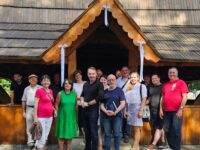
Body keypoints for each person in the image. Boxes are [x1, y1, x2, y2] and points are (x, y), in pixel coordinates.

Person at [160, 67, 188, 150]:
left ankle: (177, 148)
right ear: (168, 74)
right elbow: (162, 97)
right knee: (167, 129)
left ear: (177, 73)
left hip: (177, 111)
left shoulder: (181, 83)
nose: (171, 74)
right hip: (166, 111)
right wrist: (161, 109)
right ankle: (172, 147)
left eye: (173, 72)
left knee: (176, 130)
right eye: (170, 73)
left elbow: (185, 96)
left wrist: (181, 109)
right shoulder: (166, 84)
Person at [80, 67, 104, 150]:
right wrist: (82, 102)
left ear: (96, 74)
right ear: (87, 74)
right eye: (89, 74)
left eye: (93, 74)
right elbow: (82, 95)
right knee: (86, 131)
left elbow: (100, 97)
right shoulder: (85, 84)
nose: (91, 75)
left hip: (93, 111)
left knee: (93, 131)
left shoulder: (99, 84)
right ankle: (87, 147)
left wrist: (88, 103)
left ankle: (94, 148)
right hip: (84, 110)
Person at [100, 74, 126, 150]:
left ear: (115, 80)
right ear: (107, 81)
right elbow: (101, 105)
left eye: (113, 80)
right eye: (109, 80)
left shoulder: (120, 90)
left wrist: (115, 112)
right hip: (106, 116)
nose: (111, 81)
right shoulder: (104, 92)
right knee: (107, 134)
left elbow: (123, 103)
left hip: (117, 116)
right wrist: (105, 111)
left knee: (117, 134)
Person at [125, 72, 147, 150]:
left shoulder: (142, 86)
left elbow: (144, 98)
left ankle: (135, 146)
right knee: (133, 128)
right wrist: (126, 111)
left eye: (134, 77)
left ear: (138, 78)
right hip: (130, 109)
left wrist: (141, 110)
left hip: (137, 109)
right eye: (131, 77)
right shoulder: (128, 87)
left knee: (137, 129)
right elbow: (126, 101)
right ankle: (136, 146)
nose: (133, 79)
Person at [55, 79, 78, 150]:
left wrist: (76, 117)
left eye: (69, 84)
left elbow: (76, 105)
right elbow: (56, 104)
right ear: (63, 85)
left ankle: (68, 148)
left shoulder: (74, 94)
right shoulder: (60, 93)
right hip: (62, 116)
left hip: (71, 117)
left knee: (69, 134)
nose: (67, 85)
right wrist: (56, 113)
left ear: (71, 85)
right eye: (65, 84)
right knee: (61, 134)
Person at [34, 75, 54, 150]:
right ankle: (40, 147)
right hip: (41, 116)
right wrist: (35, 117)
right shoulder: (39, 90)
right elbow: (35, 104)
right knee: (41, 134)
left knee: (46, 134)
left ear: (50, 82)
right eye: (44, 80)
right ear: (41, 82)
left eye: (48, 80)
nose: (46, 82)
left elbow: (50, 103)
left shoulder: (51, 91)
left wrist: (54, 110)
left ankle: (41, 147)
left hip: (50, 116)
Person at [146, 74, 166, 150]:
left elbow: (164, 98)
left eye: (155, 78)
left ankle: (154, 144)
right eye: (152, 78)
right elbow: (150, 98)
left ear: (159, 78)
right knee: (158, 126)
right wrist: (144, 103)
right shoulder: (150, 87)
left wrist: (161, 109)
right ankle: (163, 142)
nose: (153, 80)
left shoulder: (163, 86)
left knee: (159, 126)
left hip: (161, 110)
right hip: (152, 110)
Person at [22, 74, 41, 146]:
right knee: (29, 126)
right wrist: (23, 111)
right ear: (29, 80)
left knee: (38, 126)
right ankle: (30, 142)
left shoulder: (40, 88)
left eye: (35, 78)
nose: (33, 80)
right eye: (31, 79)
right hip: (29, 109)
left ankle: (37, 142)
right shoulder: (26, 88)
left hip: (39, 109)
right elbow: (23, 100)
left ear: (37, 80)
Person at [116, 66, 130, 143]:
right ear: (121, 72)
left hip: (129, 102)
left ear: (129, 71)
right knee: (120, 118)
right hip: (120, 102)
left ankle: (126, 135)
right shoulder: (117, 80)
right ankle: (120, 134)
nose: (125, 72)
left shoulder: (132, 80)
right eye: (123, 70)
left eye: (126, 70)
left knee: (128, 118)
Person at [73, 70, 86, 145]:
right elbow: (73, 94)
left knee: (84, 121)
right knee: (78, 121)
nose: (78, 77)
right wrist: (80, 97)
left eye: (79, 75)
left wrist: (81, 98)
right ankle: (79, 135)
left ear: (81, 76)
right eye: (76, 76)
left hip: (84, 105)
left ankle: (85, 138)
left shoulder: (86, 83)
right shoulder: (73, 85)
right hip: (76, 105)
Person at [99, 75, 109, 149]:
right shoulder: (97, 89)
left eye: (104, 80)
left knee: (106, 128)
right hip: (98, 110)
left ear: (107, 81)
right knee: (99, 128)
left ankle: (105, 143)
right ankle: (100, 144)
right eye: (101, 80)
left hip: (107, 111)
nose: (103, 81)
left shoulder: (109, 89)